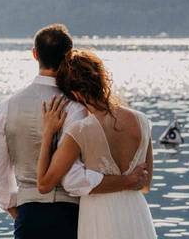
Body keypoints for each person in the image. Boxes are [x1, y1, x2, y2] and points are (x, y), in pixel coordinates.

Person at [0, 24, 148, 239]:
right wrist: (125, 181)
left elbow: (0, 179)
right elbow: (75, 178)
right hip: (70, 215)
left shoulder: (6, 108)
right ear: (68, 56)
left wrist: (20, 214)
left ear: (35, 54)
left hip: (27, 215)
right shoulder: (77, 107)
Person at [37, 48, 157, 238]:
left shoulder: (80, 130)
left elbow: (44, 184)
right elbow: (145, 184)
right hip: (136, 214)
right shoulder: (142, 121)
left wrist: (48, 133)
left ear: (75, 94)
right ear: (101, 80)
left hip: (100, 217)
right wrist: (127, 181)